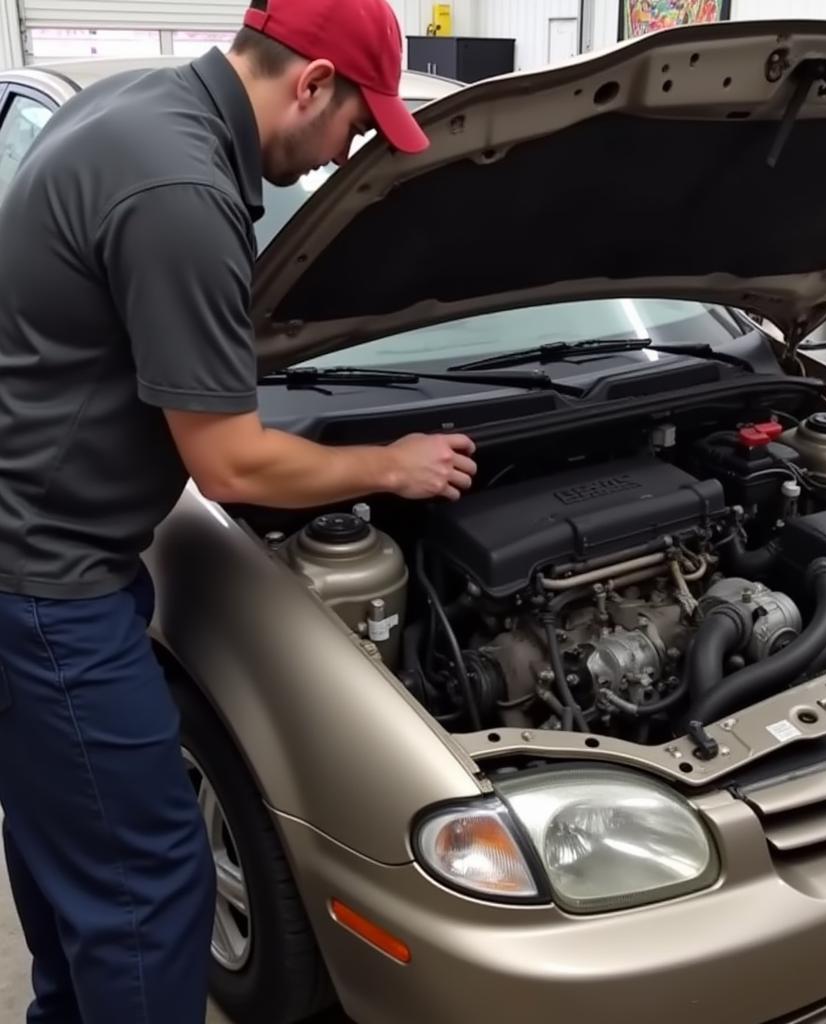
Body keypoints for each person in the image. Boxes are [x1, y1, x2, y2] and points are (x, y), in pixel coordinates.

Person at [0, 0, 476, 1020]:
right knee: (147, 886)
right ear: (309, 82)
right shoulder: (179, 186)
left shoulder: (143, 107)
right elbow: (228, 464)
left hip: (33, 554)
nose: (340, 155)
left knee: (63, 849)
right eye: (353, 125)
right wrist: (388, 465)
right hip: (45, 581)